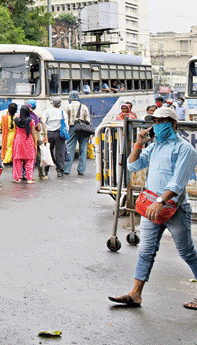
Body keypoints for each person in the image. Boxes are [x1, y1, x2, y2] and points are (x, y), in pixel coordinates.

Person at [109, 106, 197, 309]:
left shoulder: (185, 149)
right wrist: (138, 146)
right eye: (154, 122)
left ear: (173, 123)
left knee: (187, 253)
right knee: (146, 250)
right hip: (151, 207)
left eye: (161, 121)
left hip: (174, 209)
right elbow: (132, 166)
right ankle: (135, 294)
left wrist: (161, 202)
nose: (157, 126)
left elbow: (178, 182)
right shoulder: (155, 146)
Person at [64, 90, 91, 176]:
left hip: (72, 128)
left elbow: (65, 120)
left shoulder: (67, 107)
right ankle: (81, 170)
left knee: (70, 148)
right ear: (78, 97)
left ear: (70, 97)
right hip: (83, 128)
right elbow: (88, 120)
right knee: (83, 149)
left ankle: (67, 169)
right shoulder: (84, 107)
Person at [12, 106, 40, 183]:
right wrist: (35, 143)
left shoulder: (16, 120)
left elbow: (15, 131)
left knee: (17, 160)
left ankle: (17, 178)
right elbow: (34, 134)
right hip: (28, 140)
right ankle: (29, 178)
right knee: (29, 160)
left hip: (18, 140)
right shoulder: (31, 121)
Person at [43, 97, 67, 177]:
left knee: (48, 151)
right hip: (59, 134)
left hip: (49, 133)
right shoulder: (63, 112)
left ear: (52, 103)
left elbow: (43, 122)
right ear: (60, 104)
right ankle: (60, 170)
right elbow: (66, 125)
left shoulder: (47, 111)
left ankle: (46, 170)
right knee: (60, 153)